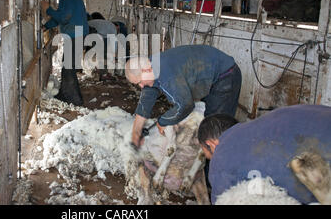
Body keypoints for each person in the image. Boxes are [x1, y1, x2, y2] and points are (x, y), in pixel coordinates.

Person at [197, 105, 331, 204]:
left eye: (209, 156)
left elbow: (222, 201)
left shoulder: (222, 154)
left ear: (211, 144)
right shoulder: (265, 124)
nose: (213, 161)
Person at [125, 45, 242, 148]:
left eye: (140, 81)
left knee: (216, 127)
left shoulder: (166, 77)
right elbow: (146, 99)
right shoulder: (151, 66)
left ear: (146, 70)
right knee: (208, 121)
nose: (141, 86)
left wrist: (162, 121)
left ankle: (221, 163)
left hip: (226, 75)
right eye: (137, 84)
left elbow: (185, 105)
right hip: (210, 72)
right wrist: (136, 131)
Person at [41, 0, 89, 106]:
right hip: (76, 34)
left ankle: (75, 99)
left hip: (76, 35)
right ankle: (65, 93)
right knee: (67, 65)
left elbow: (64, 18)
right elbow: (60, 18)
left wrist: (48, 10)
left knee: (69, 67)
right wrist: (45, 26)